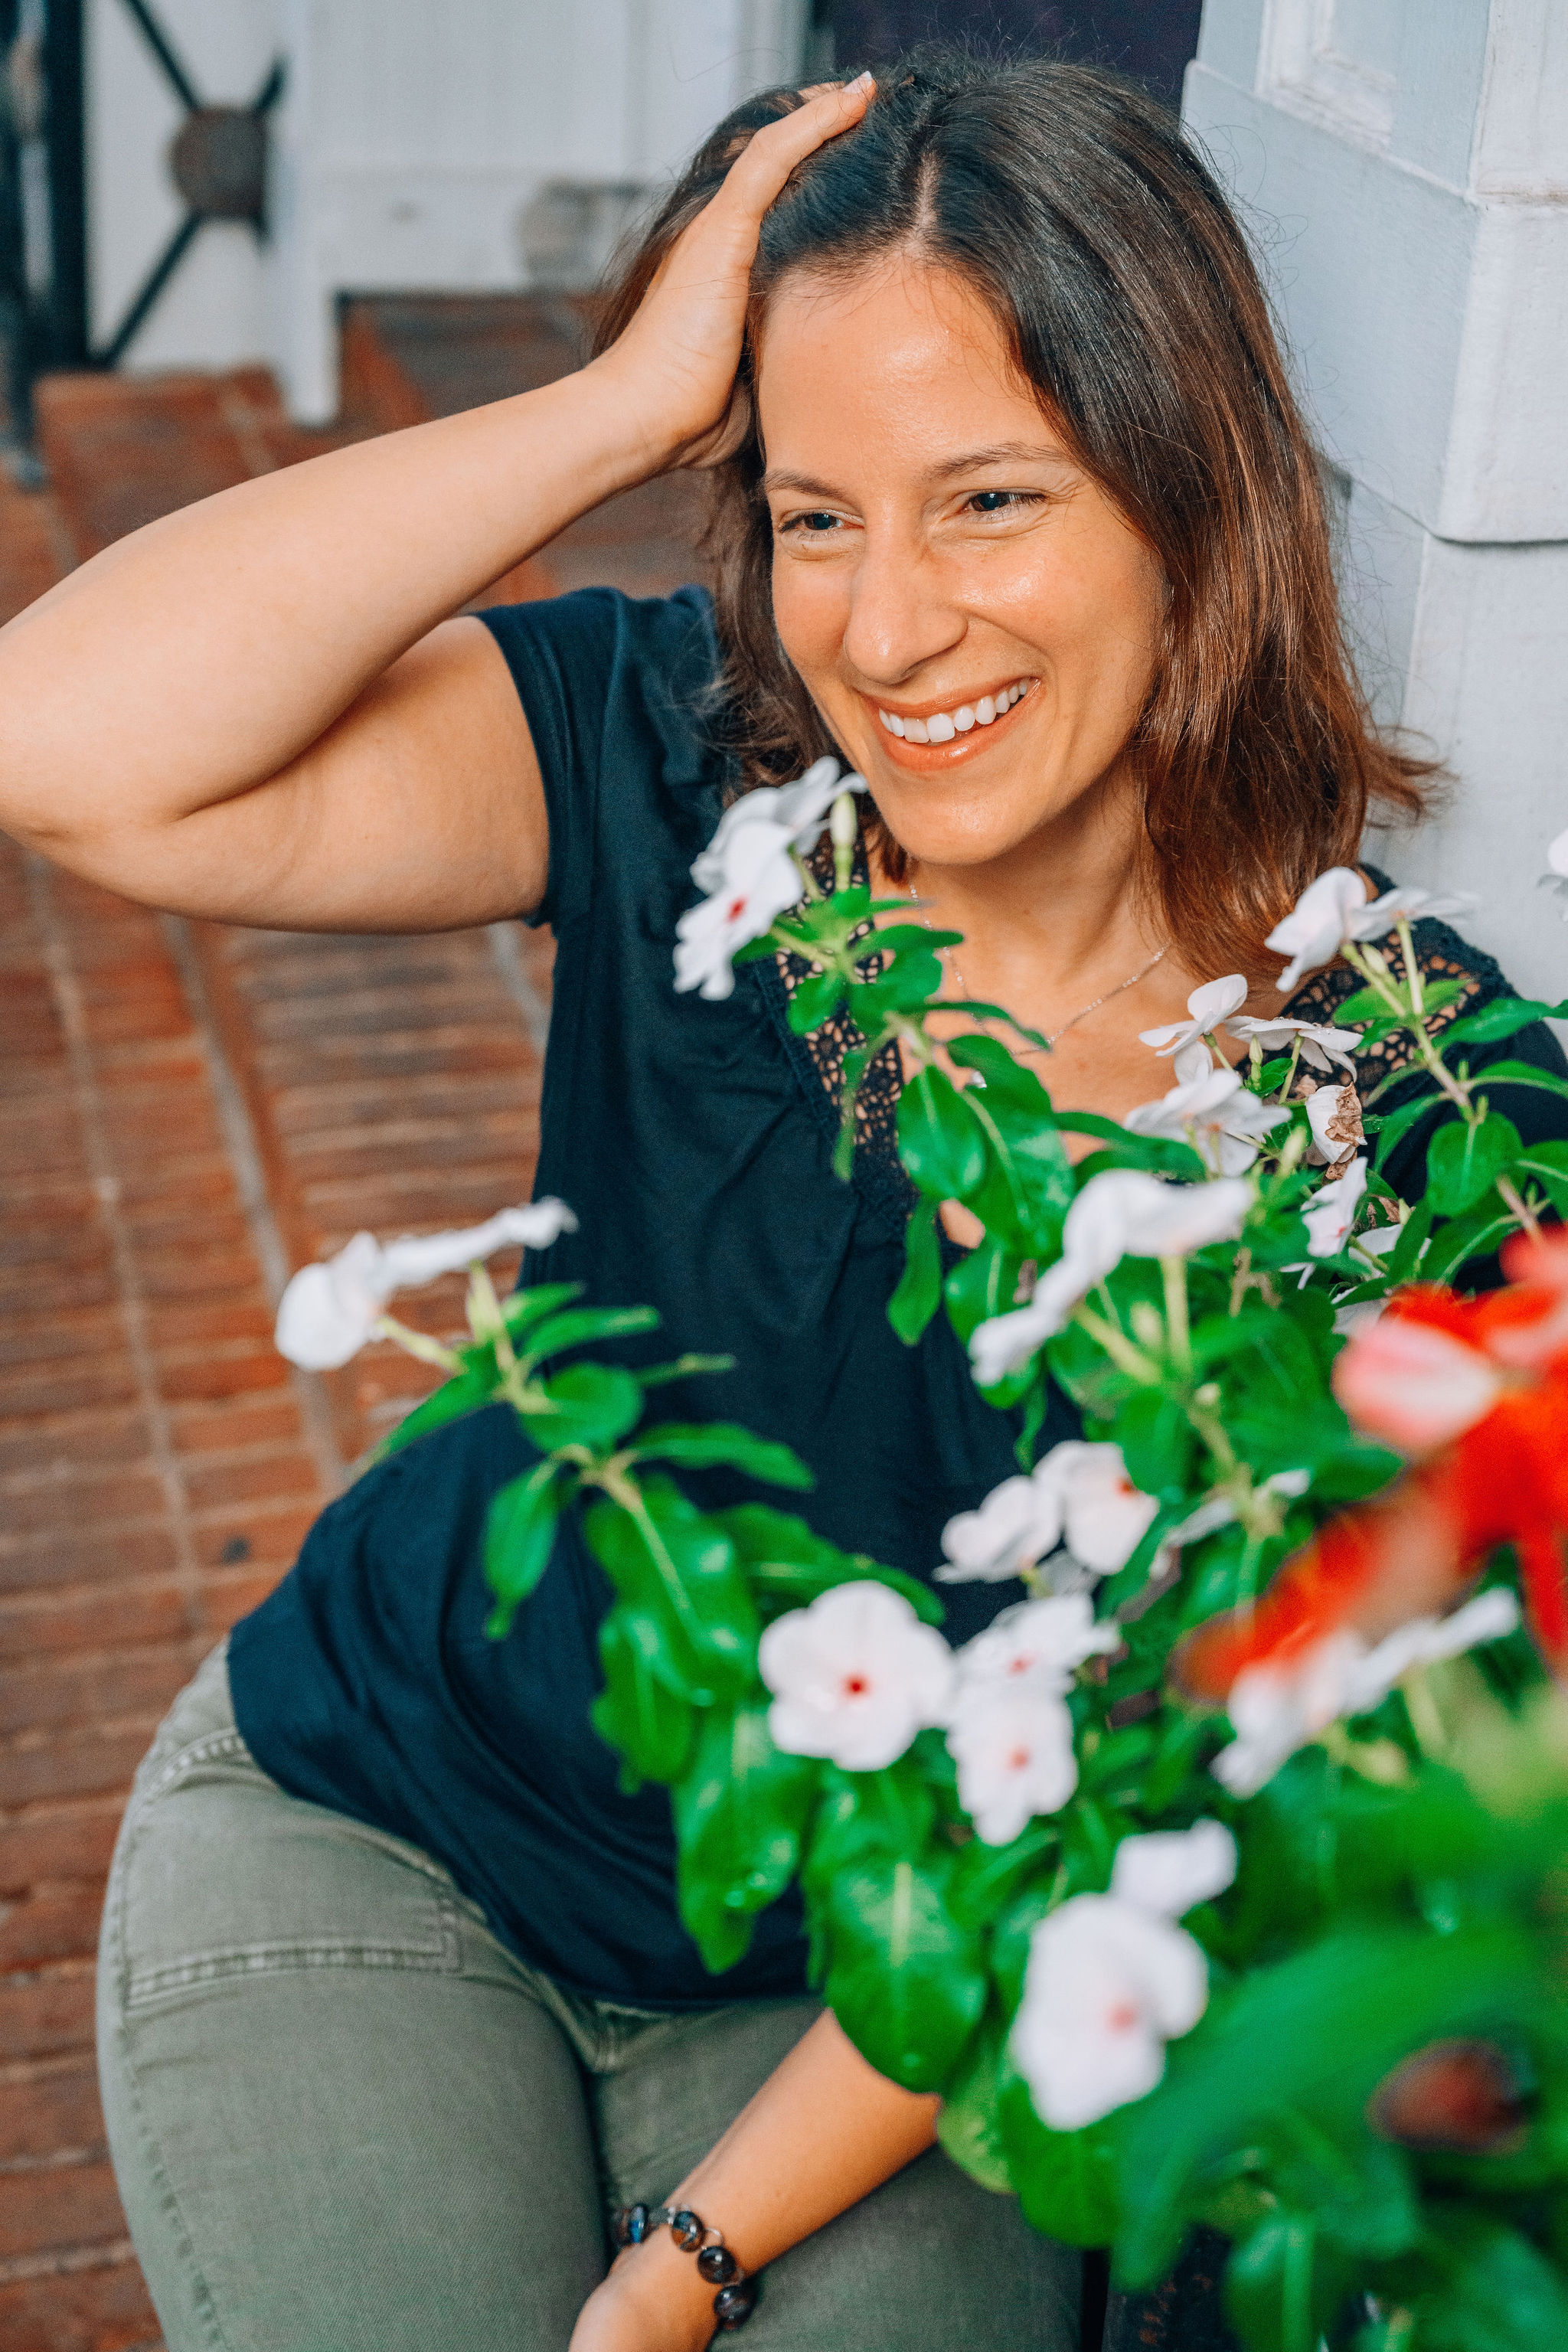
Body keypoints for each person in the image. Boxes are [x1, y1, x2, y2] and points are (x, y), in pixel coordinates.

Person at [2, 48, 1562, 2352]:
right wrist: (622, 405)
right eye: (818, 514)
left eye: (989, 502)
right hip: (392, 1832)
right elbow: (69, 748)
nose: (890, 631)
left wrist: (686, 2269)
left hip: (862, 2022)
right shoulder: (695, 771)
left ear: (1186, 496)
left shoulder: (1395, 1098)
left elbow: (1132, 1808)